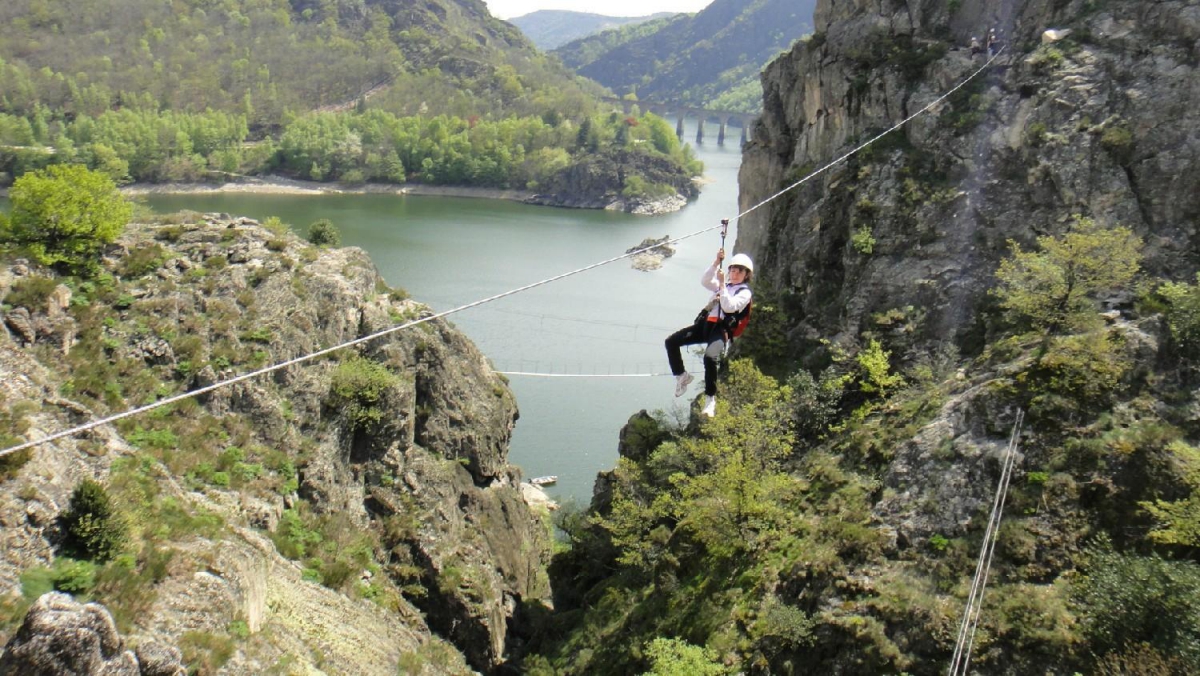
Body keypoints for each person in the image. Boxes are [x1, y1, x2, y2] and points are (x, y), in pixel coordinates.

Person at [665, 248, 753, 417]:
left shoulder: (744, 293)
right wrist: (716, 262)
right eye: (733, 270)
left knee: (710, 358)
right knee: (671, 341)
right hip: (705, 325)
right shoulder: (724, 286)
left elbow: (729, 307)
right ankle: (682, 376)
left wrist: (722, 285)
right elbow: (705, 281)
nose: (735, 274)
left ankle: (710, 399)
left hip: (720, 330)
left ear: (746, 275)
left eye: (739, 271)